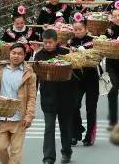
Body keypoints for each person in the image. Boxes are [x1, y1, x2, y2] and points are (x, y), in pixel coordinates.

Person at [0, 43, 37, 164]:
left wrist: (29, 116)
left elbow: (32, 97)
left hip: (19, 119)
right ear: (9, 54)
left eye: (20, 54)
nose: (16, 56)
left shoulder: (29, 74)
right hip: (1, 117)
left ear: (24, 56)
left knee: (16, 153)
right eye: (14, 53)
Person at [33, 29, 74, 164]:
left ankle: (66, 152)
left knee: (65, 127)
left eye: (50, 42)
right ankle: (49, 158)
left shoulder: (66, 53)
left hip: (66, 96)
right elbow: (36, 78)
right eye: (45, 42)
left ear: (56, 42)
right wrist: (32, 96)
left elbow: (73, 74)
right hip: (47, 97)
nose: (48, 45)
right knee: (49, 127)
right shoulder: (38, 56)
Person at [66, 15, 100, 147]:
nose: (78, 32)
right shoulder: (70, 42)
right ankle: (76, 132)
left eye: (80, 29)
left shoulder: (94, 40)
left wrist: (84, 52)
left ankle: (89, 136)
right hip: (76, 78)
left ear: (86, 28)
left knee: (91, 108)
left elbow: (97, 56)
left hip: (91, 78)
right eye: (75, 29)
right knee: (74, 106)